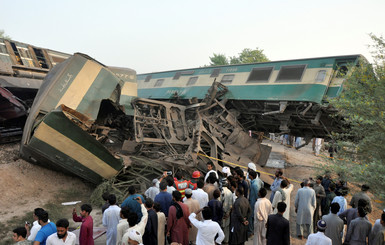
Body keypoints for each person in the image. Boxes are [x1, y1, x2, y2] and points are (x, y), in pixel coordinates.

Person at [221, 178, 233, 244]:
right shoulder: (230, 192)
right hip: (227, 214)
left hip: (221, 214)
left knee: (221, 227)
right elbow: (231, 204)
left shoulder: (220, 191)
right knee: (226, 228)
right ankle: (226, 241)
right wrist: (228, 213)